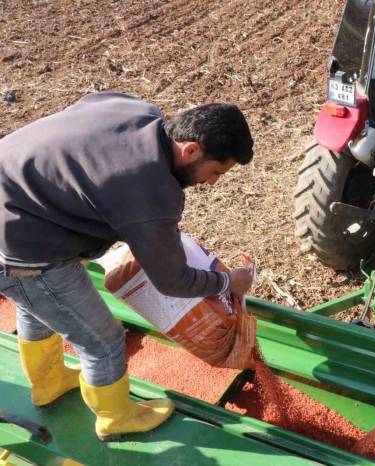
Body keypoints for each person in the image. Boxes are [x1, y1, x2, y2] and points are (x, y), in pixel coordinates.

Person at [0, 92, 255, 441]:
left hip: (12, 198)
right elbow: (172, 281)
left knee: (36, 306)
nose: (213, 182)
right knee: (103, 341)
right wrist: (227, 283)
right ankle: (115, 417)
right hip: (22, 249)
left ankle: (49, 383)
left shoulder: (134, 110)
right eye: (215, 171)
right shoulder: (151, 192)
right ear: (191, 149)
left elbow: (83, 119)